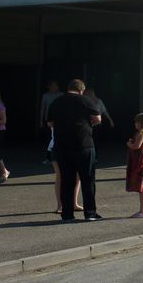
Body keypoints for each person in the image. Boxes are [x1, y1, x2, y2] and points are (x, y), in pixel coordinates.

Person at [47, 79, 102, 222]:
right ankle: (90, 213)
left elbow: (50, 123)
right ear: (81, 90)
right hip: (84, 144)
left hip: (62, 146)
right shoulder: (86, 100)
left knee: (66, 181)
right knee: (87, 179)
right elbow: (97, 118)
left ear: (68, 88)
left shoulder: (57, 101)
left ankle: (67, 214)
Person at [39, 80, 63, 164]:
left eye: (56, 86)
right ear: (49, 87)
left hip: (59, 119)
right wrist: (41, 120)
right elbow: (43, 107)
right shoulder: (46, 96)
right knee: (51, 139)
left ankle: (55, 157)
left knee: (56, 139)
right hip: (49, 119)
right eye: (53, 86)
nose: (55, 88)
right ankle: (49, 158)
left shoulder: (61, 95)